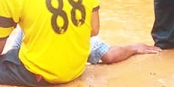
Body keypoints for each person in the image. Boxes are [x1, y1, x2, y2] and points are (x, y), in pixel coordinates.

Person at [12, 30, 161, 65]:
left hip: (35, 72)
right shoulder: (74, 22)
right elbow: (109, 55)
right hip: (68, 71)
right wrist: (133, 48)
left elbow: (13, 54)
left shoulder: (29, 23)